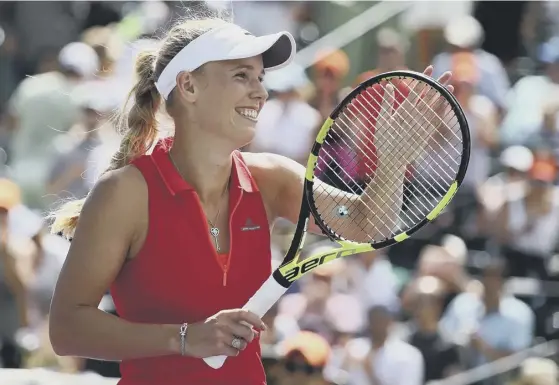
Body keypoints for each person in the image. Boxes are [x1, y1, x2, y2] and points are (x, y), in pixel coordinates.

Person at [48, 10, 453, 385]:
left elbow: (368, 223)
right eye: (243, 75)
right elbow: (66, 329)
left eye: (261, 78)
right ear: (188, 85)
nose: (261, 93)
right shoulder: (124, 193)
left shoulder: (272, 179)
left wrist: (394, 160)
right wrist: (186, 340)